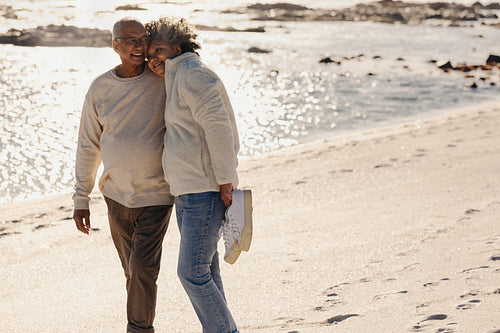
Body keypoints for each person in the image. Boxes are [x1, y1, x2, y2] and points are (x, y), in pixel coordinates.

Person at [72, 17, 174, 333]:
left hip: (157, 194)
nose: (137, 45)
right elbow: (88, 144)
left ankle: (139, 330)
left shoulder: (163, 81)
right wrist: (81, 198)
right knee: (132, 271)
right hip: (116, 196)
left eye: (142, 39)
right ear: (114, 45)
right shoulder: (100, 88)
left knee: (143, 268)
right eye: (129, 40)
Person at [145, 17, 240, 333]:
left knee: (191, 272)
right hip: (187, 191)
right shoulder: (176, 79)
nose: (154, 59)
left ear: (177, 45)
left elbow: (218, 127)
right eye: (149, 55)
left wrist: (226, 181)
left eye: (159, 49)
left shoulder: (191, 75)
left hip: (204, 190)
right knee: (207, 271)